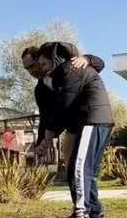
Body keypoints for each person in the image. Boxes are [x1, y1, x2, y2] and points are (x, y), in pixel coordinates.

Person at [31, 41, 113, 218]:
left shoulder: (70, 70)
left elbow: (63, 107)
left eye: (44, 64)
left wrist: (49, 135)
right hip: (96, 121)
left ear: (54, 59)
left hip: (91, 120)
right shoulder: (59, 76)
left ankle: (82, 216)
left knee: (79, 168)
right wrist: (46, 138)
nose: (42, 69)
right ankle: (94, 213)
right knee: (87, 171)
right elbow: (51, 113)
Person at [21, 44, 105, 176]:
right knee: (71, 164)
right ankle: (78, 192)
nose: (31, 71)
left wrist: (87, 59)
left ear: (42, 59)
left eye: (32, 66)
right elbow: (45, 117)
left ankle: (85, 193)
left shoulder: (67, 70)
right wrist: (41, 143)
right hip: (71, 126)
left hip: (89, 120)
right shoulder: (40, 91)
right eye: (27, 69)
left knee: (83, 169)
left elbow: (99, 65)